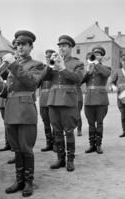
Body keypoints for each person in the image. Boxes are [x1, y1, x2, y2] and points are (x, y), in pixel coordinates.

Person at [0, 30, 44, 197]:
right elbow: (9, 91)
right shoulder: (12, 66)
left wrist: (13, 64)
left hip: (25, 110)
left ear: (31, 46)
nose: (19, 47)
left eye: (23, 44)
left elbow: (31, 83)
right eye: (17, 45)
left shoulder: (36, 65)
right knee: (17, 148)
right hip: (11, 110)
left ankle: (28, 181)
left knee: (26, 148)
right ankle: (19, 180)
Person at [42, 35, 84, 172]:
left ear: (70, 48)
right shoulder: (54, 61)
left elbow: (78, 79)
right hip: (53, 100)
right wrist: (50, 65)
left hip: (68, 101)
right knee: (57, 131)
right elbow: (44, 78)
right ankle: (60, 158)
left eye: (64, 46)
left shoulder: (77, 63)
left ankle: (70, 160)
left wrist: (63, 68)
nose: (61, 48)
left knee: (69, 131)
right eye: (60, 46)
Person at [81, 46, 111, 154]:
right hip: (89, 99)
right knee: (90, 124)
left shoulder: (106, 67)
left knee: (99, 123)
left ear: (102, 57)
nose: (96, 56)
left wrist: (97, 63)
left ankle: (98, 145)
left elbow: (107, 74)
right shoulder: (88, 68)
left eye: (98, 54)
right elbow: (80, 81)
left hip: (101, 100)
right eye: (94, 54)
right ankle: (91, 145)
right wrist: (87, 71)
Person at [39, 49, 57, 152]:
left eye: (49, 57)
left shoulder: (54, 69)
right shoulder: (42, 69)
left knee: (54, 122)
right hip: (43, 99)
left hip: (52, 97)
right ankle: (48, 143)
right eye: (46, 57)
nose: (47, 59)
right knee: (45, 122)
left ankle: (55, 143)